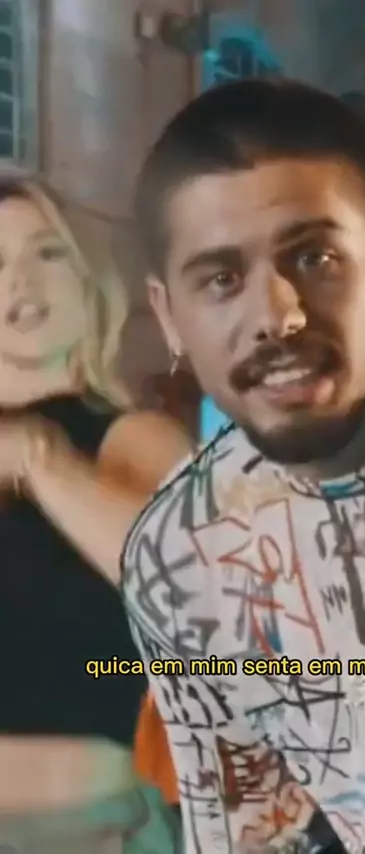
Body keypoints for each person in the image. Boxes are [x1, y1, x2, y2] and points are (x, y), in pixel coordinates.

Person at [0, 79, 365, 854]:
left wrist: (39, 460)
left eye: (315, 256)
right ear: (170, 313)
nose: (277, 314)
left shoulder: (127, 451)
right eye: (222, 278)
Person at [0, 176, 188, 853]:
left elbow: (193, 594)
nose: (21, 279)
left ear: (88, 284)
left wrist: (41, 462)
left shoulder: (134, 441)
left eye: (48, 253)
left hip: (91, 831)